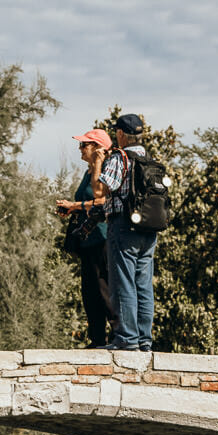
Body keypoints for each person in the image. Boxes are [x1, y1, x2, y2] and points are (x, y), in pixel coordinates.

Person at [83, 113, 158, 351]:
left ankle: (127, 339)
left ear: (121, 135)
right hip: (149, 229)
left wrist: (97, 163)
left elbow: (99, 191)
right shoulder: (150, 159)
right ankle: (144, 339)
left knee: (124, 283)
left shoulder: (121, 158)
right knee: (144, 285)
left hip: (124, 228)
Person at [55, 129, 120, 348]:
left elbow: (102, 200)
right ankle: (97, 338)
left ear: (97, 148)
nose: (80, 149)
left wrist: (75, 206)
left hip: (102, 237)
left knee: (104, 289)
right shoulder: (87, 171)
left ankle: (119, 336)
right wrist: (72, 210)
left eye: (84, 145)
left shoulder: (107, 170)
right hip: (87, 240)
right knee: (89, 292)